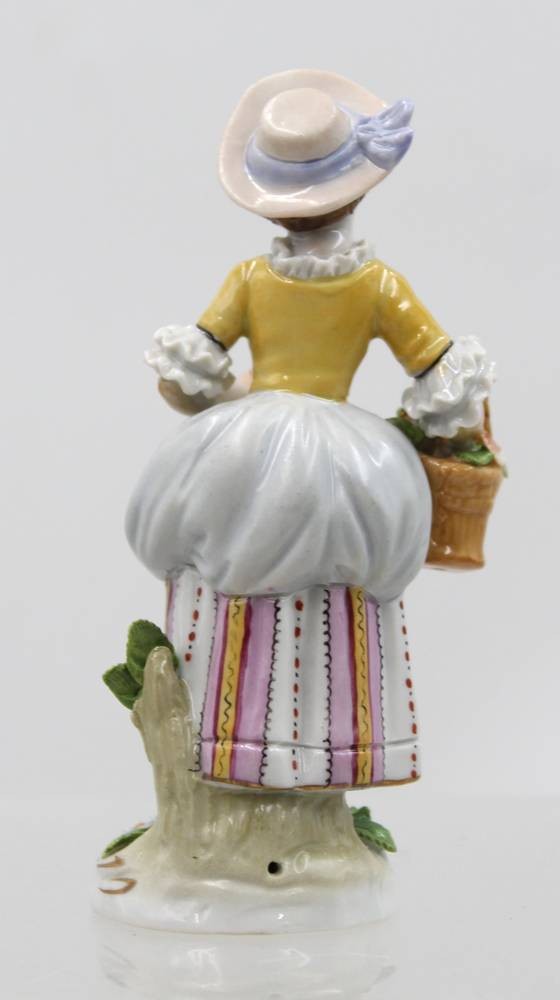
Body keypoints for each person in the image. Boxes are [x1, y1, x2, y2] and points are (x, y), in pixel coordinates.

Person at [126, 70, 494, 791]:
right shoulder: (378, 284)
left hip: (243, 446)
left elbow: (186, 379)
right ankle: (326, 742)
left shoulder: (250, 278)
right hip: (347, 458)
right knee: (338, 581)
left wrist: (233, 400)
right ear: (357, 193)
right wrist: (454, 436)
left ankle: (229, 738)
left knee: (226, 561)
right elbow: (443, 380)